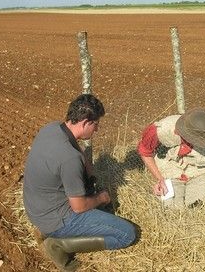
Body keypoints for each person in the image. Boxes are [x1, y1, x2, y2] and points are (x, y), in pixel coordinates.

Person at [23, 94, 135, 271]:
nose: (96, 130)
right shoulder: (69, 158)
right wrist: (102, 198)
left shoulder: (53, 128)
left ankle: (53, 234)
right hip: (55, 220)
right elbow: (79, 206)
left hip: (36, 208)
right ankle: (58, 244)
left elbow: (77, 148)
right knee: (127, 234)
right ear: (85, 123)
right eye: (96, 124)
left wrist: (90, 173)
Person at [137, 107, 205, 208]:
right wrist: (160, 179)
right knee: (169, 207)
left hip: (200, 172)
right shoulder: (162, 129)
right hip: (170, 171)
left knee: (203, 205)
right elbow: (145, 152)